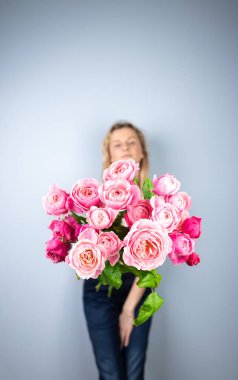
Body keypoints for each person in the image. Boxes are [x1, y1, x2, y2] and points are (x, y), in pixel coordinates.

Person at [83, 121, 152, 380]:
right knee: (111, 374)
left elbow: (152, 262)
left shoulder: (155, 198)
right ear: (110, 155)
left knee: (134, 373)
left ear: (142, 151)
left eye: (132, 141)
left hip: (139, 289)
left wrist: (128, 309)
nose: (125, 148)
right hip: (99, 292)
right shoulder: (95, 198)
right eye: (118, 144)